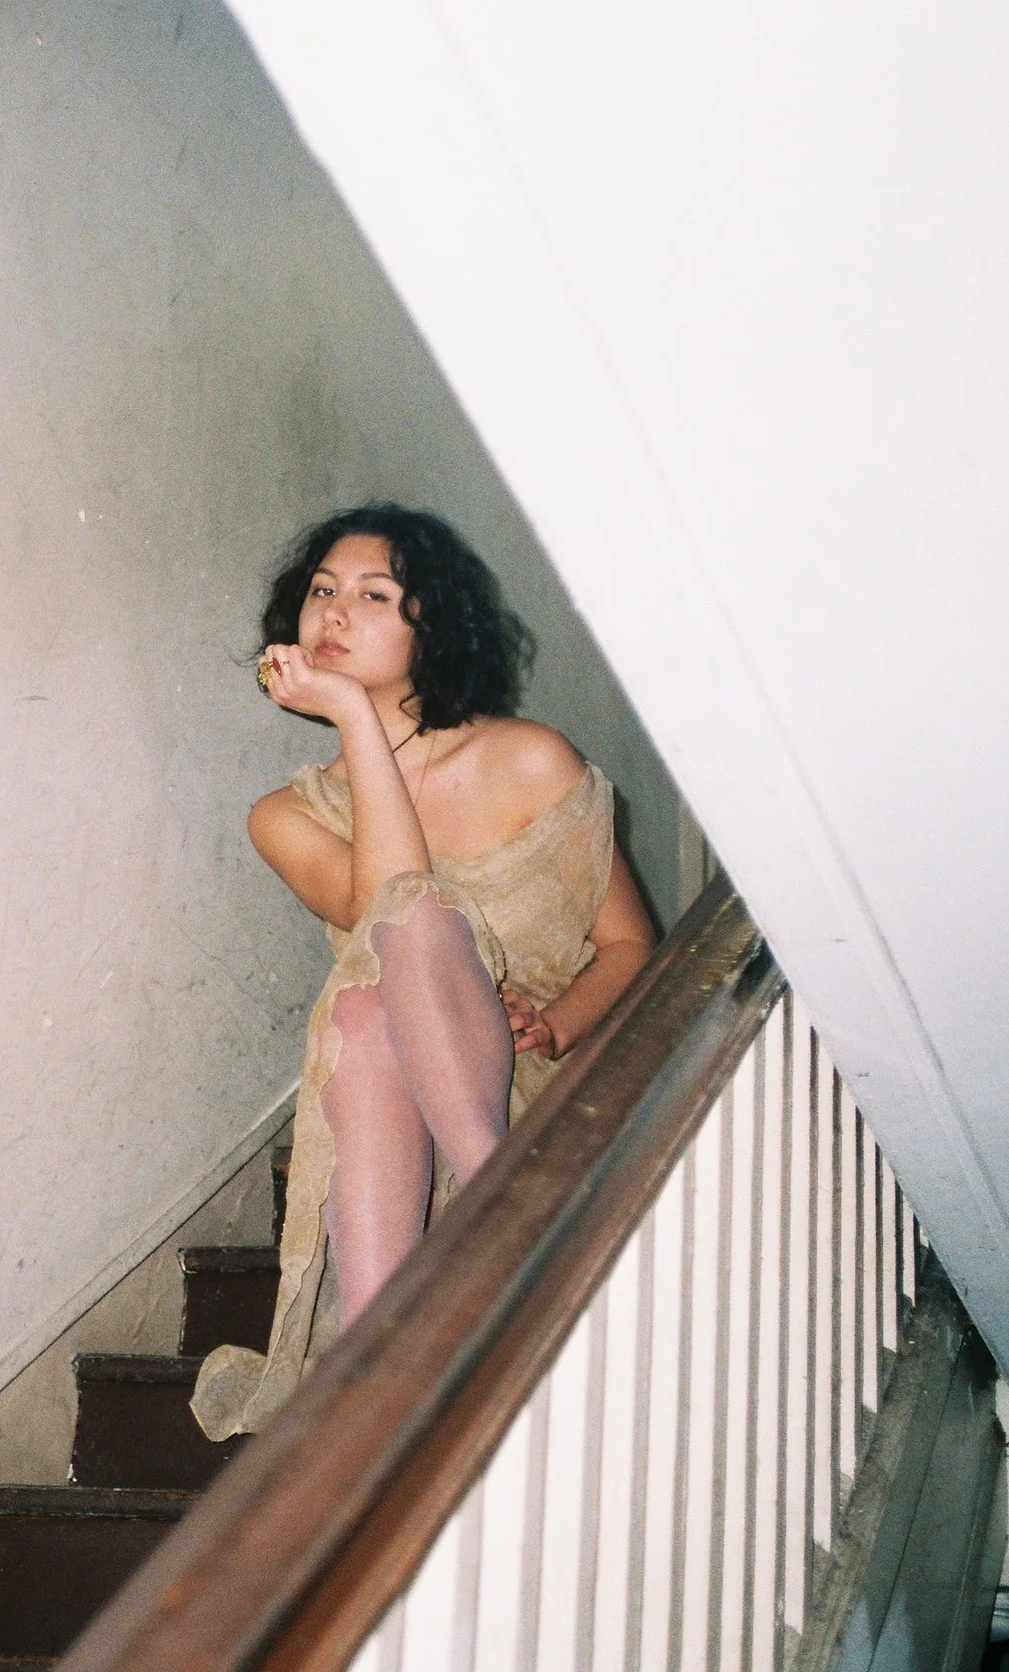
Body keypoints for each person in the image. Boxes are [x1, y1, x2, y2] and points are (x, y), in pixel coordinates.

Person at [190, 504, 656, 1441]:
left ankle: (392, 1344)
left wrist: (556, 1020)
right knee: (374, 991)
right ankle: (461, 1265)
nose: (335, 611)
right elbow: (388, 905)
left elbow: (632, 948)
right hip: (408, 1098)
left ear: (433, 624)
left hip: (545, 1094)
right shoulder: (286, 815)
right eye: (321, 591)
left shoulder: (528, 759)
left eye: (374, 594)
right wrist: (357, 717)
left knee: (392, 964)